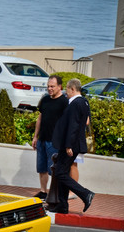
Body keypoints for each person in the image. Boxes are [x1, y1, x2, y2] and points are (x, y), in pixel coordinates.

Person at [49, 78, 95, 214]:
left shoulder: (75, 103)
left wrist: (68, 145)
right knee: (61, 171)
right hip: (73, 143)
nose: (66, 92)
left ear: (73, 89)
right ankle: (63, 206)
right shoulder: (84, 102)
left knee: (60, 172)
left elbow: (73, 125)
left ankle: (85, 194)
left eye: (67, 90)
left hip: (71, 144)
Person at [31, 75, 68, 200]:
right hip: (42, 139)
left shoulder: (64, 102)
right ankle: (43, 192)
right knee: (42, 168)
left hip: (55, 142)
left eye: (52, 86)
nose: (49, 89)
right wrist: (35, 137)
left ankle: (55, 194)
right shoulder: (45, 99)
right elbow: (40, 118)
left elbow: (67, 122)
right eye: (48, 86)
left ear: (59, 87)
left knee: (53, 170)